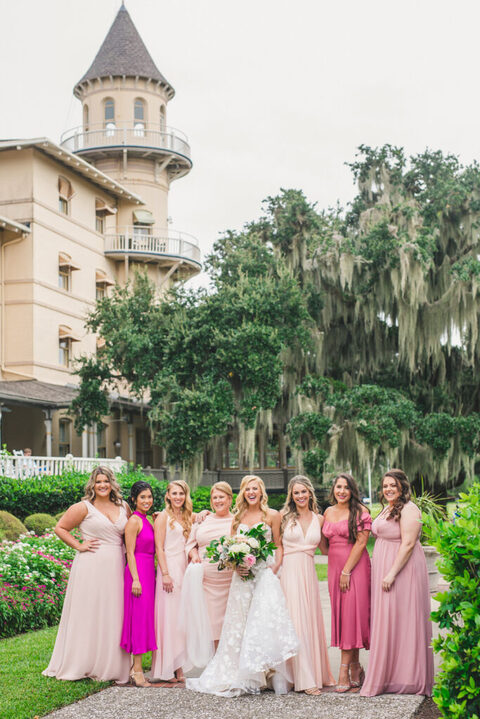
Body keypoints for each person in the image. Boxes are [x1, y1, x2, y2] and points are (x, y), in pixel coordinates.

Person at [186, 474, 298, 697]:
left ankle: (268, 671)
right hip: (243, 578)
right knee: (242, 624)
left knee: (264, 624)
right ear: (243, 493)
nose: (251, 492)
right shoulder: (238, 518)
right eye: (247, 489)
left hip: (264, 576)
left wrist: (272, 571)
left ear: (261, 491)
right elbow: (230, 549)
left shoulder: (273, 515)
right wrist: (237, 566)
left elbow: (278, 546)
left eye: (255, 488)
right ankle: (246, 673)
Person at [43, 466, 131, 682]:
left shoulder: (124, 507)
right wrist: (78, 545)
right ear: (92, 485)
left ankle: (110, 664)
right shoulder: (83, 507)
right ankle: (83, 662)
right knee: (88, 612)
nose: (102, 485)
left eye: (106, 481)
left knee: (113, 612)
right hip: (90, 567)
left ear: (112, 484)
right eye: (98, 482)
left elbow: (132, 532)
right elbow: (60, 528)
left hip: (117, 567)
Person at [361, 469, 434, 697]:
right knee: (388, 619)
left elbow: (409, 543)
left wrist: (392, 573)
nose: (388, 489)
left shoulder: (410, 509)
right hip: (386, 567)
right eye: (385, 486)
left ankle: (408, 679)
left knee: (405, 619)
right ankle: (388, 675)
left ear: (402, 486)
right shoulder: (387, 508)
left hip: (403, 570)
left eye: (392, 485)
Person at [280, 476, 335, 695]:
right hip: (288, 572)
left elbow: (327, 549)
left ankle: (313, 673)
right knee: (295, 622)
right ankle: (300, 678)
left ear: (310, 493)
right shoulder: (283, 517)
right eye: (296, 493)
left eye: (304, 492)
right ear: (291, 496)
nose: (301, 496)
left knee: (308, 621)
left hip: (308, 574)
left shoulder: (319, 519)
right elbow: (273, 544)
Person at [321, 473, 371, 692]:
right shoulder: (328, 512)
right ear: (333, 489)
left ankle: (343, 671)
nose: (341, 491)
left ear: (352, 490)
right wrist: (334, 563)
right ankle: (356, 667)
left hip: (355, 569)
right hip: (335, 570)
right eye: (338, 487)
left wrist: (346, 570)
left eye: (346, 487)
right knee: (344, 618)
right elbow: (323, 545)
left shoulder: (361, 511)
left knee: (352, 617)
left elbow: (361, 544)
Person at [150, 479, 194, 683]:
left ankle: (180, 665)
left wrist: (206, 514)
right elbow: (159, 547)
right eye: (174, 493)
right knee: (169, 617)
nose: (178, 497)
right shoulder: (163, 517)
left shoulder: (187, 516)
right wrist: (165, 573)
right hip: (169, 570)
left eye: (181, 494)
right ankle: (170, 666)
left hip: (185, 569)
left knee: (182, 617)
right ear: (168, 495)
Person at [184, 482, 234, 648]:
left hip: (230, 581)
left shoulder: (236, 521)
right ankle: (215, 663)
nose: (218, 501)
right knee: (211, 622)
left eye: (221, 497)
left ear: (229, 499)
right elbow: (190, 545)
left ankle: (228, 660)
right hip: (207, 581)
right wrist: (194, 554)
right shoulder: (202, 520)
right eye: (215, 498)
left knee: (230, 622)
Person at [120, 480, 157, 687]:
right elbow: (130, 552)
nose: (147, 500)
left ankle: (138, 667)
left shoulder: (147, 519)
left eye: (149, 497)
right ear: (134, 499)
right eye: (142, 497)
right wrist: (135, 578)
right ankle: (137, 669)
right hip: (138, 572)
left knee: (145, 619)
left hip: (148, 571)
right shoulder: (134, 521)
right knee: (139, 619)